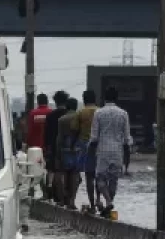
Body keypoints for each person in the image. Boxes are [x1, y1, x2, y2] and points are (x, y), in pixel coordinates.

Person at [89, 86, 132, 218]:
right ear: (116, 98)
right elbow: (126, 138)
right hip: (117, 151)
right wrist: (127, 161)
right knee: (113, 180)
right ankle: (108, 206)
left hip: (103, 151)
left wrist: (90, 152)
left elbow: (94, 137)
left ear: (104, 98)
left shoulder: (98, 113)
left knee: (100, 179)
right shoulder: (123, 114)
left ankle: (108, 201)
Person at [54, 97, 81, 209]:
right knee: (75, 175)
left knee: (63, 174)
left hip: (64, 149)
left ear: (67, 107)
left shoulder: (62, 119)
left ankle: (62, 199)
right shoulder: (80, 118)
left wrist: (57, 153)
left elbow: (59, 138)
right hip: (77, 149)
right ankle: (72, 200)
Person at [76, 90, 100, 212]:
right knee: (99, 176)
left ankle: (92, 204)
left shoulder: (81, 113)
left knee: (89, 176)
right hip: (100, 147)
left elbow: (75, 129)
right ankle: (99, 199)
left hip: (85, 147)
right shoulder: (100, 111)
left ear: (84, 99)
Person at [43, 91, 69, 203]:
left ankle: (50, 190)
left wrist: (46, 147)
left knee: (52, 169)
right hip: (68, 147)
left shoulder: (50, 116)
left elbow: (46, 134)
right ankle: (65, 194)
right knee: (67, 171)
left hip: (53, 146)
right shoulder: (69, 114)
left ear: (55, 101)